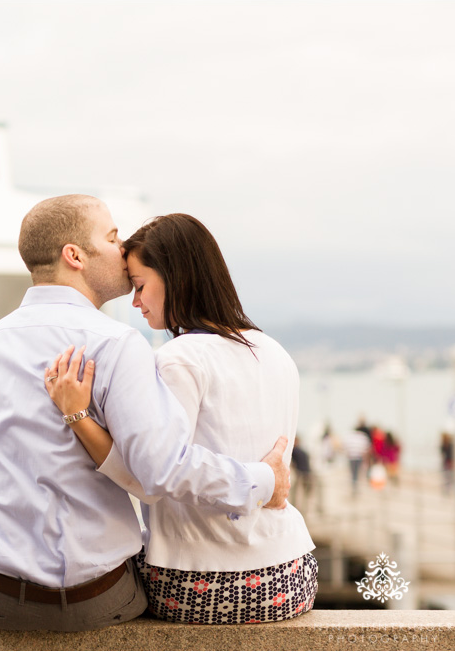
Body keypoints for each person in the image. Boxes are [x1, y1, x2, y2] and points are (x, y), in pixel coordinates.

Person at [0, 195, 291, 632]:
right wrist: (263, 480)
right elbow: (162, 469)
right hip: (93, 599)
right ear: (74, 256)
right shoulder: (115, 344)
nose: (123, 246)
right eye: (112, 237)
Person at [44, 212, 316, 625]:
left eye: (139, 287)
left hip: (202, 582)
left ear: (177, 279)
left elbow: (150, 478)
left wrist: (77, 415)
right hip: (293, 573)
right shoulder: (274, 351)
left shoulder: (179, 358)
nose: (135, 302)